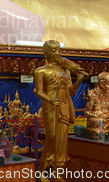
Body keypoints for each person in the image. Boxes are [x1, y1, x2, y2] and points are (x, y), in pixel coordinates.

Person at [34, 40, 86, 182]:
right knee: (52, 137)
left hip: (63, 104)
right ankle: (41, 172)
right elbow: (38, 91)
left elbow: (71, 91)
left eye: (58, 50)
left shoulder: (65, 71)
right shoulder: (41, 71)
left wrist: (79, 79)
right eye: (53, 50)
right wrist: (50, 100)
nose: (57, 53)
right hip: (50, 106)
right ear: (45, 52)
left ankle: (58, 174)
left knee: (62, 139)